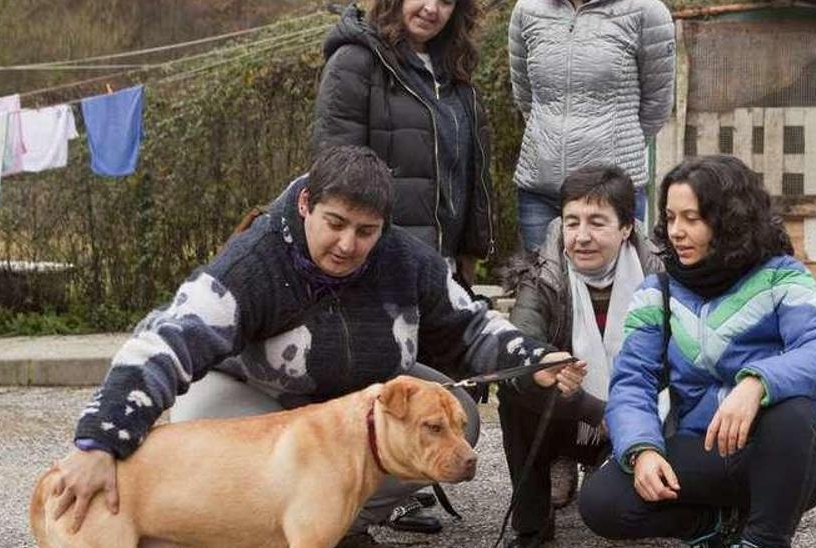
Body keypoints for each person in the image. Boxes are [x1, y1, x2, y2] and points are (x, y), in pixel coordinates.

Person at [45, 146, 586, 548]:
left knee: (456, 412)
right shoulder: (253, 263)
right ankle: (237, 526)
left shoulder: (406, 260)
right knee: (202, 437)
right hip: (252, 394)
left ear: (384, 227)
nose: (348, 244)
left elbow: (470, 325)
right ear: (306, 204)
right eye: (335, 224)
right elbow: (163, 342)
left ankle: (330, 524)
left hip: (351, 410)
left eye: (366, 231)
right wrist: (100, 442)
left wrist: (532, 357)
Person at [578, 155, 816, 548]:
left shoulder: (783, 276)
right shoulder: (658, 292)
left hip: (782, 453)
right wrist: (641, 451)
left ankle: (763, 540)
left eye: (692, 218)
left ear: (730, 219)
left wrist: (758, 383)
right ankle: (712, 526)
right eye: (671, 218)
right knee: (602, 502)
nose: (677, 232)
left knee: (796, 410)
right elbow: (631, 385)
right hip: (703, 449)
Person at [497, 165, 663, 548]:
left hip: (640, 415)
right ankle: (532, 526)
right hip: (570, 411)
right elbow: (517, 347)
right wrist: (547, 364)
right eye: (572, 223)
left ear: (626, 228)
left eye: (597, 223)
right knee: (517, 389)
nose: (581, 237)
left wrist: (626, 412)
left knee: (616, 513)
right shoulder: (543, 274)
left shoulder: (660, 274)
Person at [314, 0, 493, 286]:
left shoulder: (455, 74)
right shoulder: (354, 62)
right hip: (379, 270)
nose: (432, 9)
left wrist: (468, 252)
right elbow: (337, 178)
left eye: (446, 2)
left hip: (445, 271)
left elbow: (470, 174)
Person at [508, 0, 675, 251]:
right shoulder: (527, 9)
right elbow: (525, 96)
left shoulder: (646, 10)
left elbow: (657, 102)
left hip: (612, 192)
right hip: (540, 188)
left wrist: (616, 143)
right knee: (540, 283)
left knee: (618, 287)